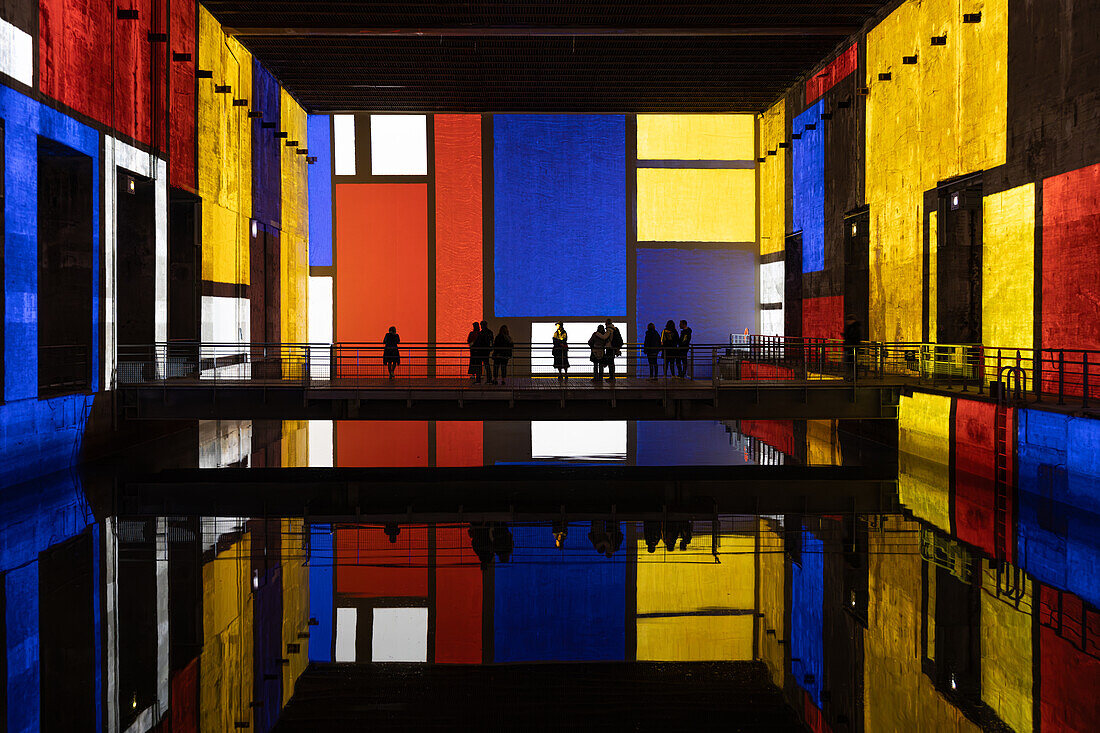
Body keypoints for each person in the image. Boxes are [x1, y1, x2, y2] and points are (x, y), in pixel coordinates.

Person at [843, 313, 862, 379]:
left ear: (852, 320)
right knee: (851, 363)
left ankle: (851, 376)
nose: (847, 322)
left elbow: (853, 337)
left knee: (851, 363)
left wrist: (846, 336)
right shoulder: (853, 328)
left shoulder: (853, 328)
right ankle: (851, 376)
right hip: (850, 348)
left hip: (851, 348)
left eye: (848, 320)